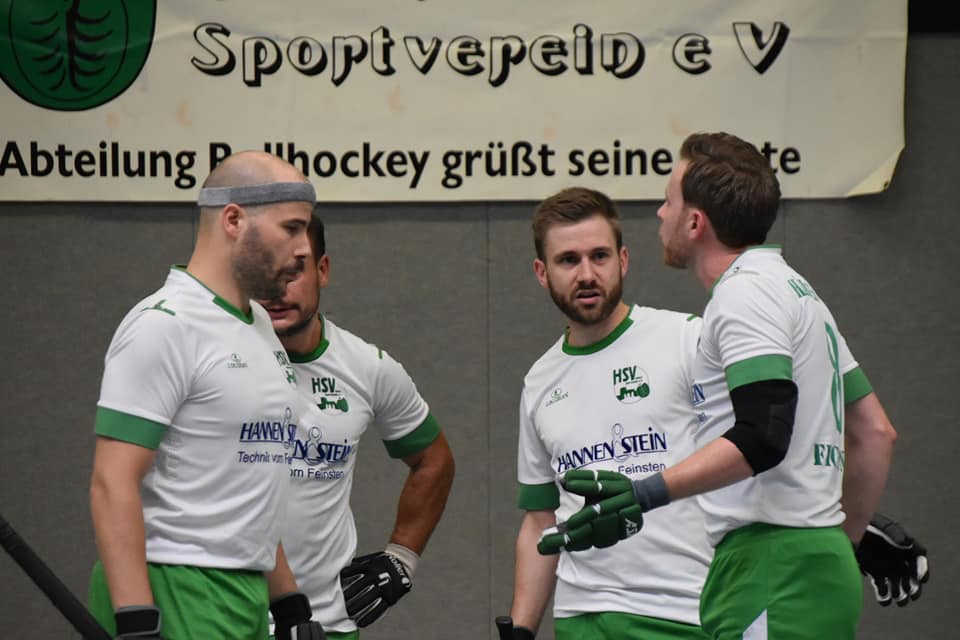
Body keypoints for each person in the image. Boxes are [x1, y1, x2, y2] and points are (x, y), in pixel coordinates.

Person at [541, 133, 909, 639]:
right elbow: (876, 432)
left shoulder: (743, 295)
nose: (660, 214)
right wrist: (840, 543)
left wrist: (644, 493)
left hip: (770, 566)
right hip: (814, 562)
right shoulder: (798, 292)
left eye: (669, 201)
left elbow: (763, 435)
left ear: (695, 223)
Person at [88, 151, 324, 639]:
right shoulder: (163, 325)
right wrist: (136, 620)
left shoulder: (259, 324)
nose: (304, 248)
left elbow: (246, 487)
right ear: (233, 220)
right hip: (176, 585)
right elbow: (112, 482)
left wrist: (290, 604)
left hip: (245, 592)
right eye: (292, 228)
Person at [509, 187, 712, 640]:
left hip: (683, 611)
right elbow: (541, 519)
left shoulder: (686, 340)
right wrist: (521, 630)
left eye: (599, 256)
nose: (586, 274)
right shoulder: (539, 381)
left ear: (623, 260)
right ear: (542, 272)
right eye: (568, 260)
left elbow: (751, 450)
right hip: (580, 617)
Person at [258, 212, 455, 639]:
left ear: (322, 270)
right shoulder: (216, 362)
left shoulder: (367, 368)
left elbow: (434, 459)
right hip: (227, 620)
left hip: (326, 623)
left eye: (294, 270)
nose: (278, 288)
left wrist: (402, 556)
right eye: (265, 271)